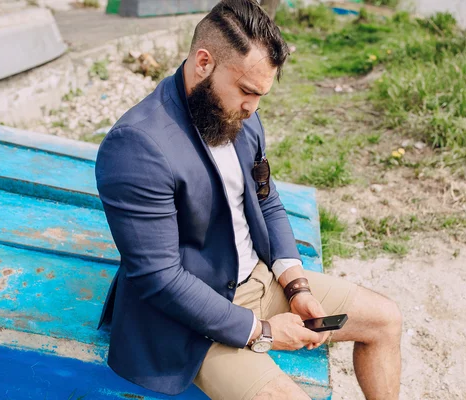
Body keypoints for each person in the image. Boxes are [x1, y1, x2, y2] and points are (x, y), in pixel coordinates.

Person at [95, 0, 402, 398]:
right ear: (203, 62)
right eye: (245, 90)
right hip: (189, 323)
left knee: (386, 319)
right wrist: (265, 331)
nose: (252, 108)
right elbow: (159, 279)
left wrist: (297, 286)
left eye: (260, 95)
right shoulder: (136, 146)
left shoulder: (240, 112)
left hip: (259, 278)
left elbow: (267, 200)